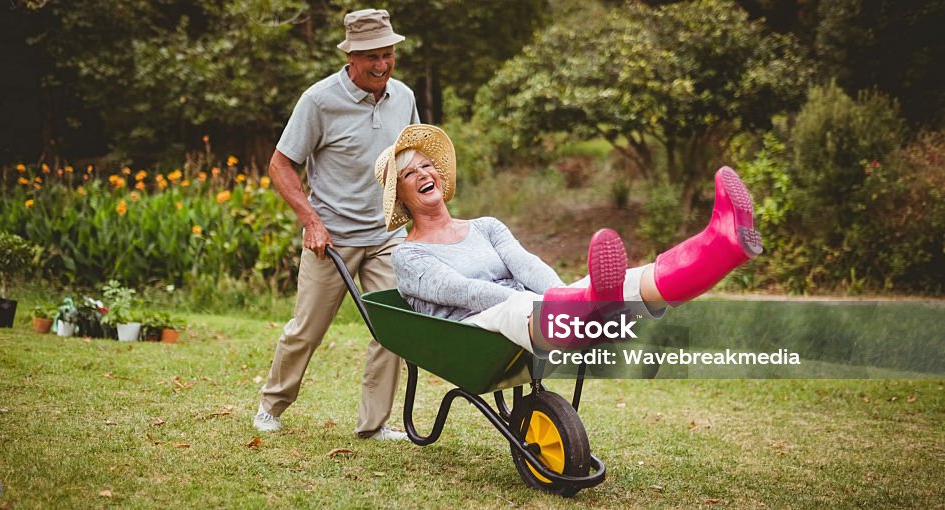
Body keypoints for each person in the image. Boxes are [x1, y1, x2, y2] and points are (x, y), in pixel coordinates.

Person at [373, 124, 764, 354]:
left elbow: (526, 264)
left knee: (630, 280)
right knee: (519, 308)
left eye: (428, 166)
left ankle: (721, 245)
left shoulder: (486, 225)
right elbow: (466, 293)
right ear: (401, 196)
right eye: (410, 174)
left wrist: (564, 295)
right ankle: (578, 310)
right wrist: (547, 305)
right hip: (476, 334)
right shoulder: (409, 256)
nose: (425, 174)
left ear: (440, 176)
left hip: (539, 316)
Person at [253, 9, 419, 440]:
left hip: (386, 235)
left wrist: (420, 219)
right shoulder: (320, 101)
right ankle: (271, 406)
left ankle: (373, 424)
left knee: (392, 329)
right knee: (306, 330)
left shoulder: (403, 97)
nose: (381, 65)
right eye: (372, 58)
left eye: (388, 55)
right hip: (332, 238)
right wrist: (311, 220)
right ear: (351, 58)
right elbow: (280, 164)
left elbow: (413, 160)